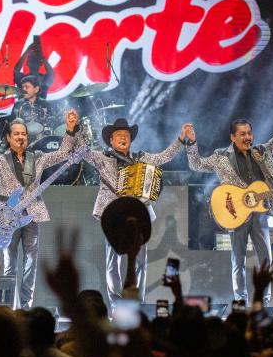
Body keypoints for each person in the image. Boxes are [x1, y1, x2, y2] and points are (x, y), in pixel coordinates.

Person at [187, 87, 273, 306]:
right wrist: (191, 143)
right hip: (236, 213)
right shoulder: (221, 157)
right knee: (238, 260)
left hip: (261, 212)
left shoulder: (261, 151)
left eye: (249, 133)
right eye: (242, 134)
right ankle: (240, 301)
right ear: (233, 137)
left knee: (267, 260)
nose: (247, 137)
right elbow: (195, 164)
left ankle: (265, 301)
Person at [0, 106, 79, 309]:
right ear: (8, 138)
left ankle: (26, 306)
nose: (21, 137)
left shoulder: (38, 157)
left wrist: (69, 129)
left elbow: (63, 153)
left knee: (31, 262)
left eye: (23, 134)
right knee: (9, 263)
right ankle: (10, 306)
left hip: (31, 214)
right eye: (16, 134)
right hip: (6, 217)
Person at [81, 117, 194, 307]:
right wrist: (74, 130)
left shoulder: (141, 158)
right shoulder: (102, 158)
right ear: (111, 140)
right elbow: (82, 153)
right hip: (113, 214)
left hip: (137, 214)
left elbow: (163, 157)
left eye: (126, 135)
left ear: (130, 139)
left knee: (141, 260)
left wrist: (181, 140)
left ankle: (136, 302)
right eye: (118, 136)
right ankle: (117, 303)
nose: (123, 138)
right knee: (112, 261)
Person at [10, 36, 55, 138]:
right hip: (22, 115)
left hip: (41, 117)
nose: (32, 62)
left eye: (35, 60)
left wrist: (42, 57)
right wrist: (27, 51)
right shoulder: (23, 79)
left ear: (39, 63)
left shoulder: (42, 79)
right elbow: (16, 70)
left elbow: (51, 75)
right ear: (27, 63)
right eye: (31, 59)